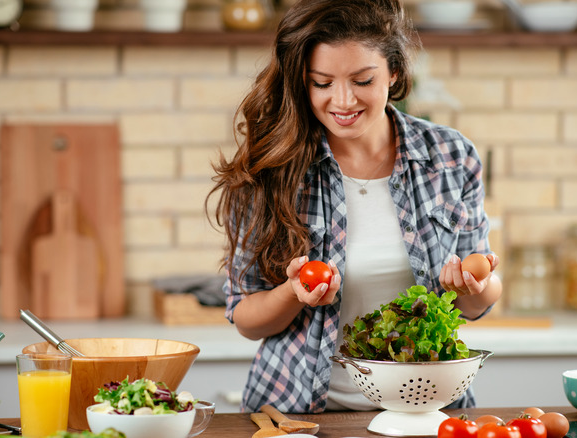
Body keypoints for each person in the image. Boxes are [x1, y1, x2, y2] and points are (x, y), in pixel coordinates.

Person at [207, 0, 502, 414]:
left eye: (362, 80)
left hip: (426, 412)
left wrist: (471, 286)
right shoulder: (272, 169)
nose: (342, 101)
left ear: (394, 71)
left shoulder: (451, 156)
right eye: (322, 83)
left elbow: (479, 302)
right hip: (298, 415)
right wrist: (294, 293)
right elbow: (245, 317)